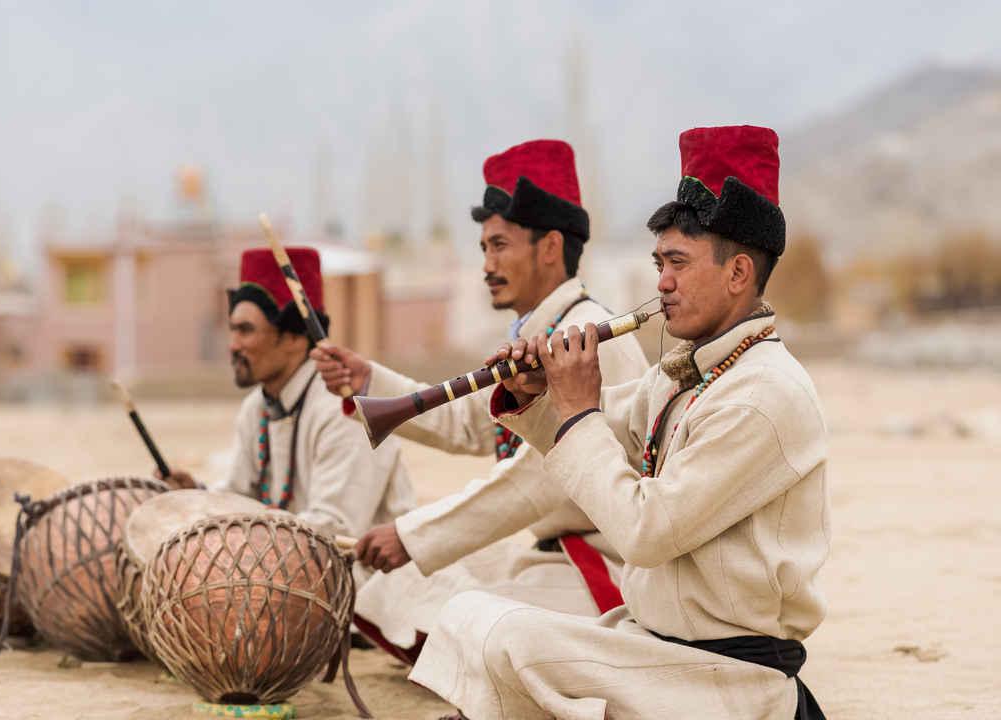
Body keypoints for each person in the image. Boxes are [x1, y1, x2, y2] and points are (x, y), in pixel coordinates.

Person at [409, 125, 829, 719]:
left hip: (726, 678)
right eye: (659, 262)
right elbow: (604, 432)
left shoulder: (762, 395)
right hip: (653, 647)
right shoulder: (683, 372)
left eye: (678, 263)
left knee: (504, 636)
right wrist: (535, 396)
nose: (661, 283)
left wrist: (577, 407)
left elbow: (645, 531)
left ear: (738, 274)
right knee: (470, 619)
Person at [310, 139, 649, 663]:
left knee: (463, 620)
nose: (487, 264)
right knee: (388, 593)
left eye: (499, 245)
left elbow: (542, 480)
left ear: (551, 247)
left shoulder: (587, 336)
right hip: (552, 559)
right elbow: (475, 421)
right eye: (484, 249)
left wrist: (415, 536)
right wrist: (368, 380)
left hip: (604, 567)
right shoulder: (542, 331)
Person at [166, 246, 415, 541]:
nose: (233, 345)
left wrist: (242, 524)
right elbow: (240, 498)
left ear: (295, 338)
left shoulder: (345, 410)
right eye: (232, 329)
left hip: (374, 583)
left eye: (246, 330)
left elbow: (335, 529)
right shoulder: (256, 407)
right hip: (292, 573)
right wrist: (197, 497)